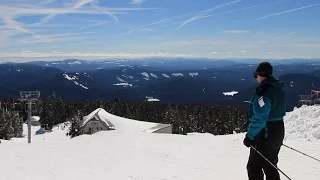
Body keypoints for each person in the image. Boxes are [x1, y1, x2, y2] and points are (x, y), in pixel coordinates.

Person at [243, 62, 286, 180]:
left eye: (255, 75)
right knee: (270, 165)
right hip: (278, 131)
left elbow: (260, 118)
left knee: (254, 166)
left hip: (265, 134)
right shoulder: (277, 89)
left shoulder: (263, 92)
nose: (256, 78)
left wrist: (250, 136)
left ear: (260, 75)